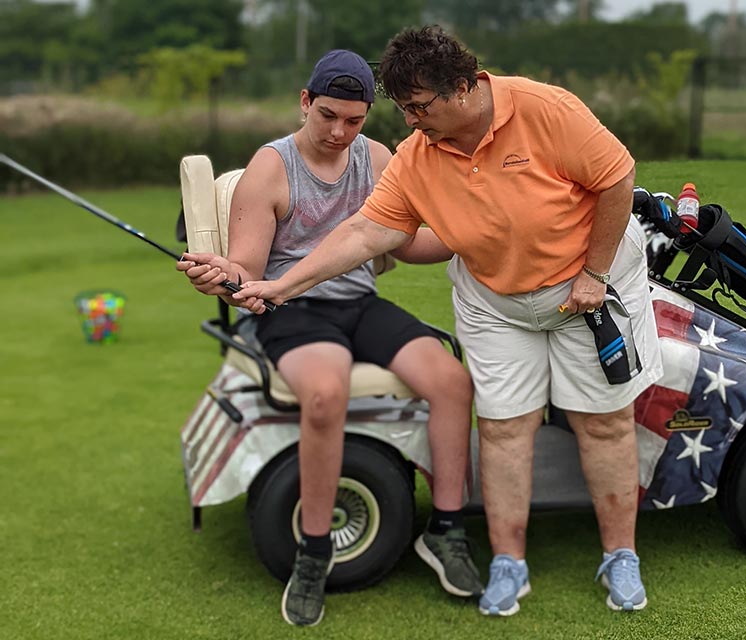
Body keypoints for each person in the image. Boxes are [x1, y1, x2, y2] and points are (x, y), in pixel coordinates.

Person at [231, 28, 664, 615]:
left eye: (417, 107)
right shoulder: (417, 155)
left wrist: (594, 273)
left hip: (587, 290)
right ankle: (508, 563)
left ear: (462, 89)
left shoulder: (545, 109)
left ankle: (621, 556)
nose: (408, 122)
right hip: (495, 299)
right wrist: (279, 286)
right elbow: (366, 232)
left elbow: (617, 176)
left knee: (603, 424)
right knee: (505, 426)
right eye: (404, 108)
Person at [176, 49, 483, 627]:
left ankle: (445, 531)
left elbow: (404, 245)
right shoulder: (271, 167)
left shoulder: (378, 158)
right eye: (328, 116)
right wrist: (217, 276)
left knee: (451, 382)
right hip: (291, 311)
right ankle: (314, 553)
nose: (340, 132)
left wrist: (476, 231)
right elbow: (246, 267)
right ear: (304, 102)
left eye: (354, 120)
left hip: (358, 304)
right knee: (324, 393)